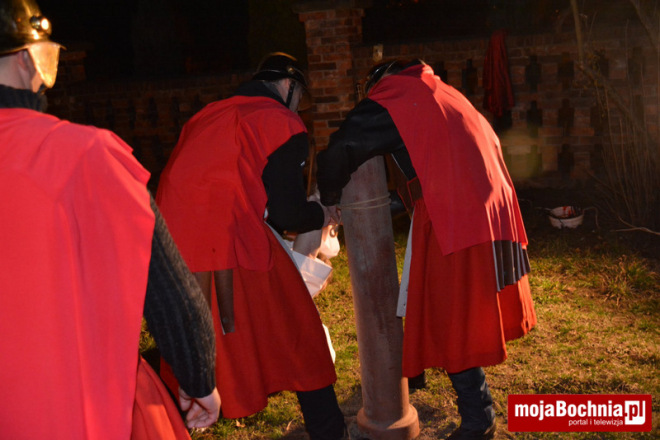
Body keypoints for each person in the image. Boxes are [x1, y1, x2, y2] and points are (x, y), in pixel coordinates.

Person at [0, 0, 220, 438]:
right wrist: (198, 379)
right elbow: (167, 290)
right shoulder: (85, 155)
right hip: (76, 404)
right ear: (27, 58)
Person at [316, 59, 537, 440]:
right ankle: (417, 373)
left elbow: (343, 146)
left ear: (381, 83)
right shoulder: (442, 91)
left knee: (451, 316)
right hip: (488, 204)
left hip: (459, 214)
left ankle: (478, 417)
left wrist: (329, 196)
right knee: (433, 301)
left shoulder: (396, 94)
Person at [156, 52, 347, 440]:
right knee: (301, 333)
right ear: (288, 85)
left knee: (192, 346)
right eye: (300, 97)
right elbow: (288, 214)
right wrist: (323, 214)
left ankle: (157, 425)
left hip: (171, 246)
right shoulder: (280, 120)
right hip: (227, 240)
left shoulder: (206, 115)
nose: (299, 107)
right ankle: (330, 432)